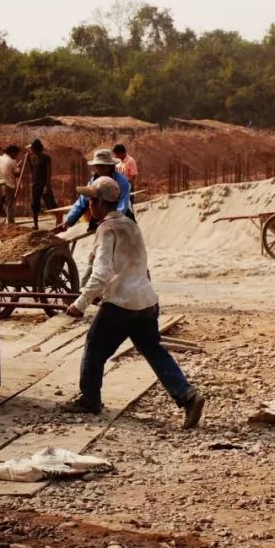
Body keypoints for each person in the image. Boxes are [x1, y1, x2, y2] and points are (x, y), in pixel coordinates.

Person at [63, 176, 205, 429]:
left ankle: (90, 400)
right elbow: (139, 265)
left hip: (121, 304)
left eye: (90, 201)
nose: (88, 207)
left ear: (98, 203)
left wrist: (81, 303)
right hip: (146, 301)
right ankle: (187, 395)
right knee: (153, 350)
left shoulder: (106, 230)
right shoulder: (131, 225)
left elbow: (102, 272)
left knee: (95, 348)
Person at [55, 148, 133, 233]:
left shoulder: (122, 181)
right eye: (97, 166)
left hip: (119, 214)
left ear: (110, 166)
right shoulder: (94, 181)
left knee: (128, 229)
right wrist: (68, 221)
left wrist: (110, 221)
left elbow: (123, 204)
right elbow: (82, 202)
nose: (99, 169)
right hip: (101, 213)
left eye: (102, 166)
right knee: (92, 230)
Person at [0, 145, 21, 228]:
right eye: (16, 154)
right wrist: (17, 168)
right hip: (8, 186)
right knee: (9, 207)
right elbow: (17, 174)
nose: (16, 156)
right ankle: (10, 227)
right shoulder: (12, 161)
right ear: (12, 153)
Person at [27, 139, 54, 230]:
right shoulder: (34, 158)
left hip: (44, 184)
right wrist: (28, 161)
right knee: (35, 205)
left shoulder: (46, 158)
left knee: (51, 204)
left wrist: (47, 185)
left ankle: (59, 223)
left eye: (32, 148)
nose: (30, 150)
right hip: (35, 185)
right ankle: (36, 225)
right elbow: (32, 171)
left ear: (36, 148)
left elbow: (49, 173)